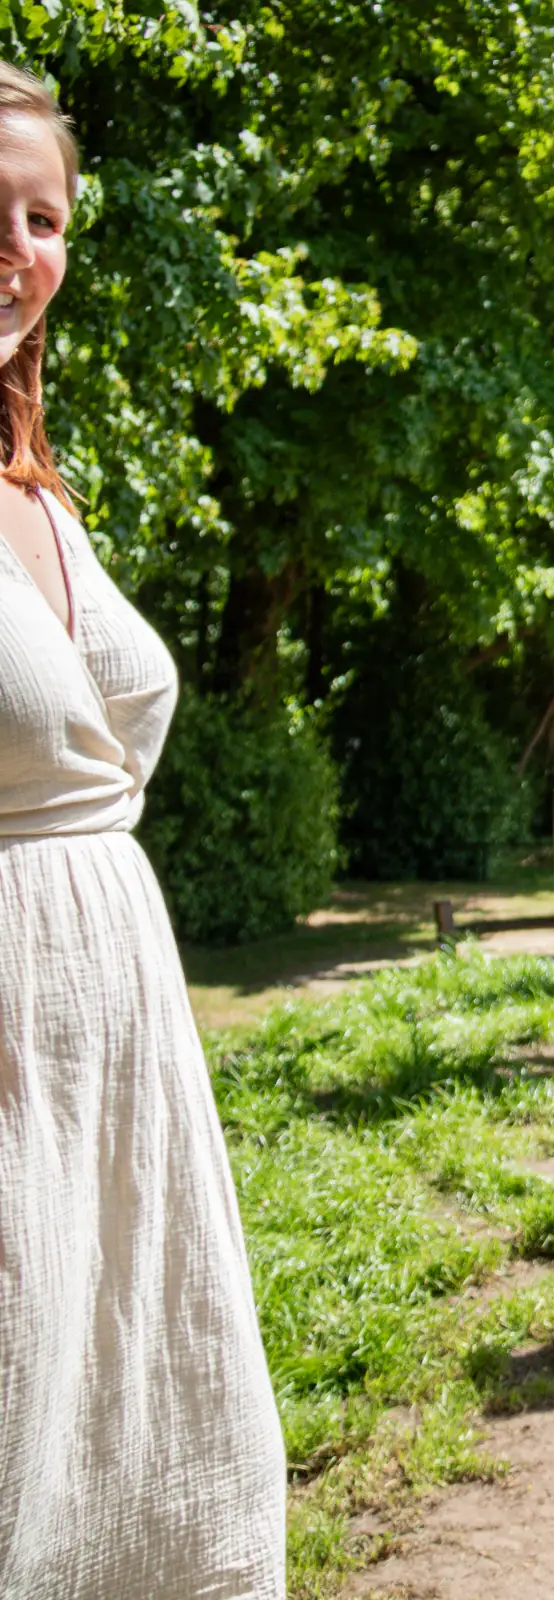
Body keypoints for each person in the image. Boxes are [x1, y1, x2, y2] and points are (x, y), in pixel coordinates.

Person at [0, 68, 288, 1595]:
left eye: (42, 219)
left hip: (119, 1051)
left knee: (170, 1461)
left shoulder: (35, 484)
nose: (18, 251)